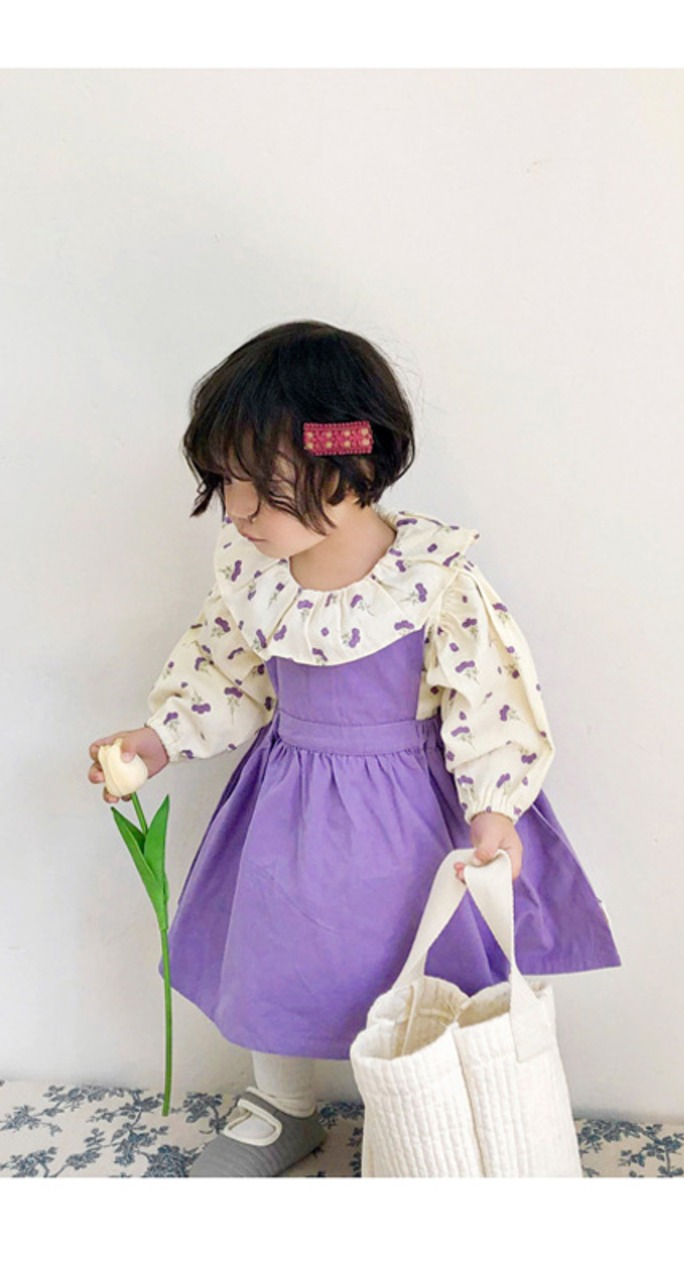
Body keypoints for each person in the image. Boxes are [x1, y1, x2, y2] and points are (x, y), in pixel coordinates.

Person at [85, 320, 621, 1177]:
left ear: (349, 468)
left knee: (426, 957)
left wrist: (495, 811)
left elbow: (487, 695)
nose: (237, 510)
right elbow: (225, 673)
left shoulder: (432, 579)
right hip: (289, 810)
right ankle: (283, 1104)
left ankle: (427, 1108)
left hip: (410, 819)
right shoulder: (255, 579)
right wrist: (154, 742)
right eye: (225, 482)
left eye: (262, 486)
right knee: (274, 950)